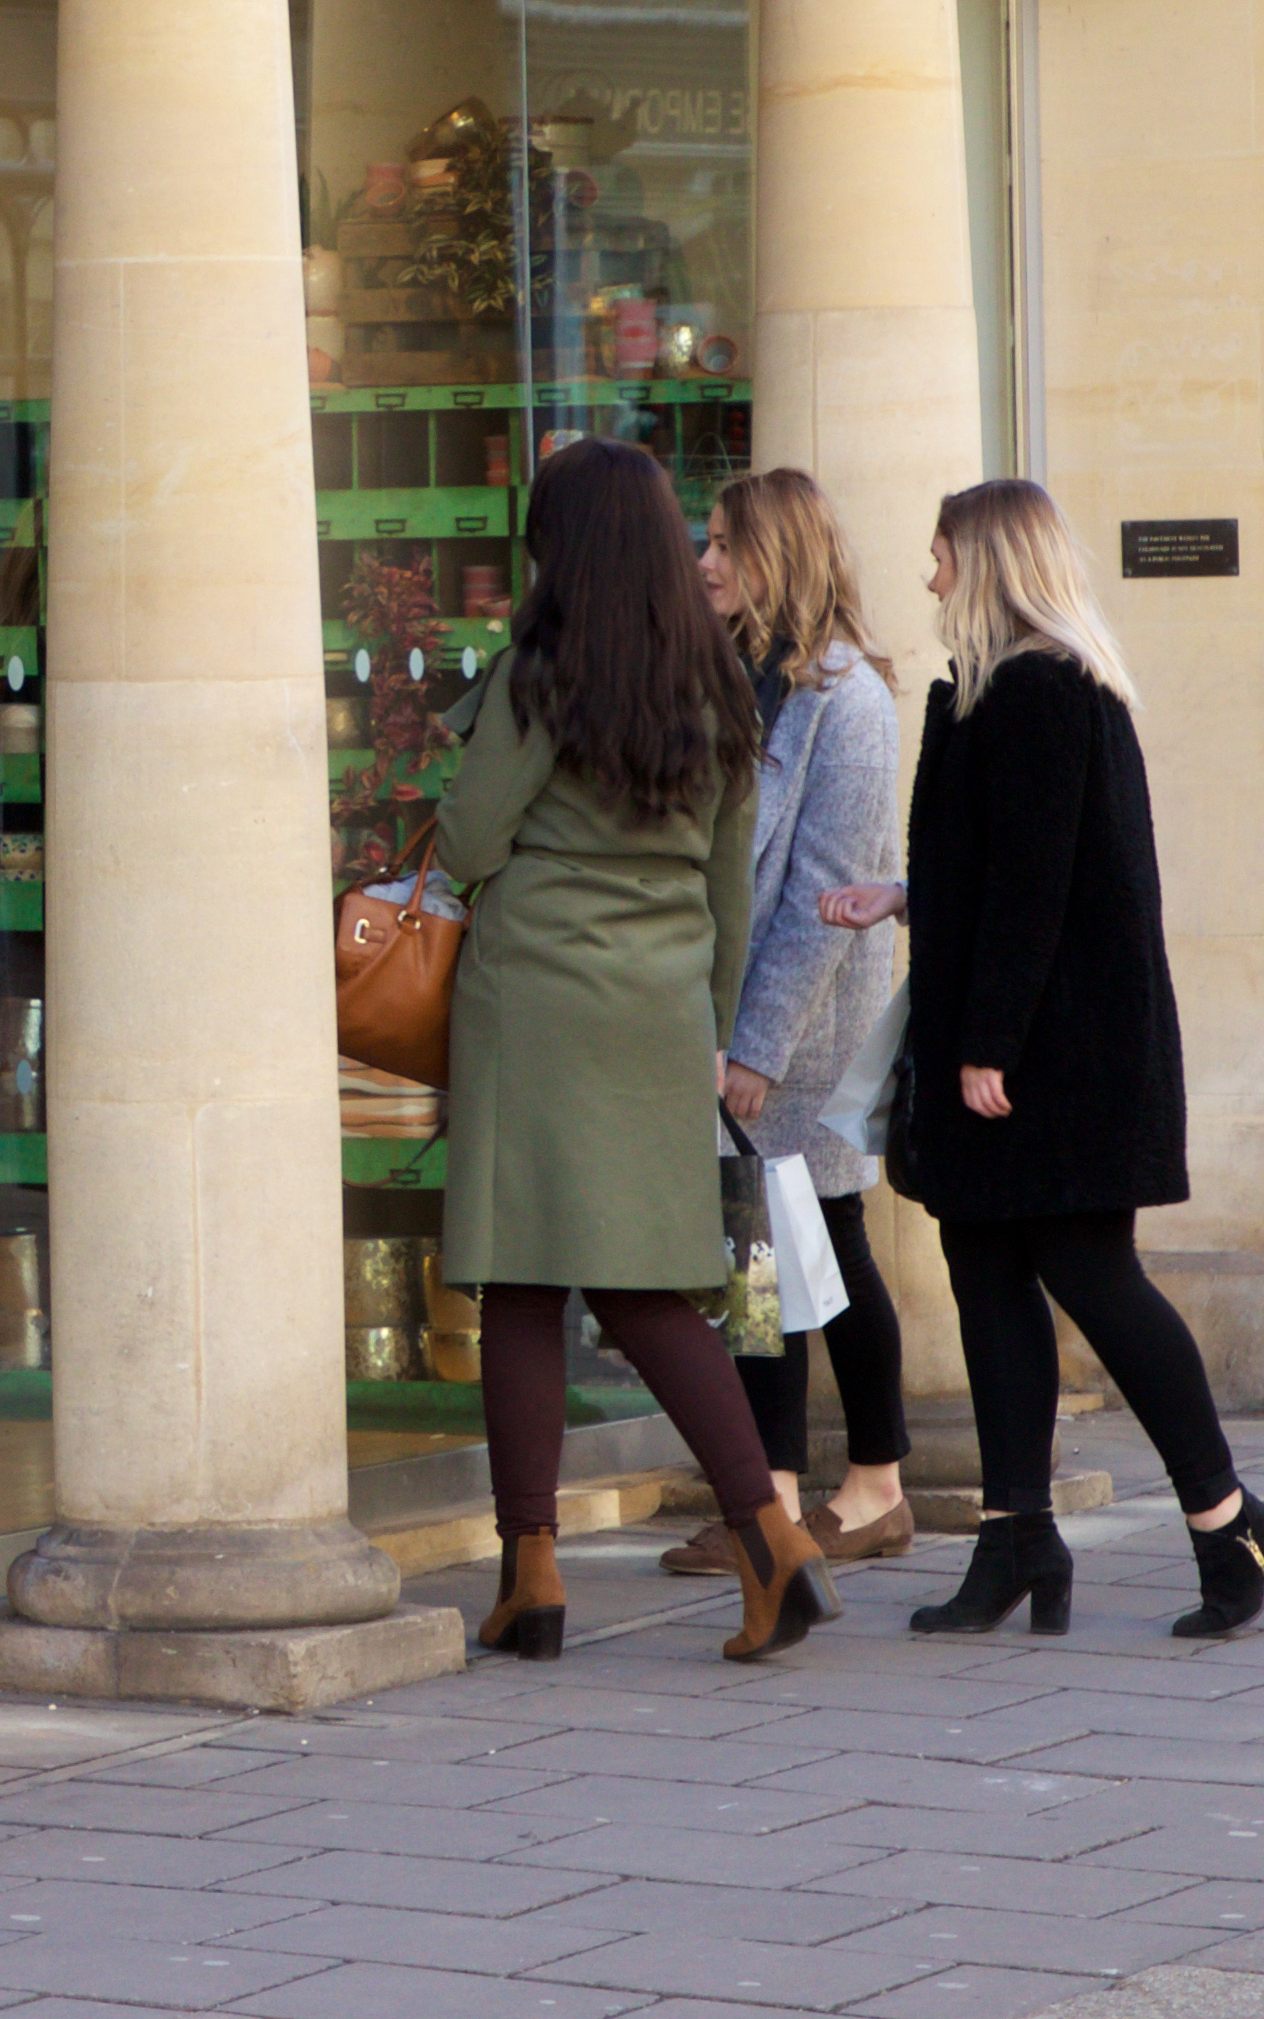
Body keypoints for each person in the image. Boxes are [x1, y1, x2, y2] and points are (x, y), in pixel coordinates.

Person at [821, 481, 1264, 1640]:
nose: (928, 573)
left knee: (1094, 1281)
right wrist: (905, 895)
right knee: (986, 1278)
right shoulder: (1005, 693)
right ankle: (1015, 1539)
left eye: (939, 554)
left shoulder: (1038, 692)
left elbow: (1037, 892)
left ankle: (1228, 1520)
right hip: (1023, 1048)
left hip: (1049, 1059)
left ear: (983, 562)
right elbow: (1006, 869)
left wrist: (986, 1045)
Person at [435, 435, 833, 1665]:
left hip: (535, 1006)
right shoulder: (717, 687)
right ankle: (769, 1526)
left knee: (518, 1278)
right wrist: (703, 1036)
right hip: (661, 1011)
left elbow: (467, 840)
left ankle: (533, 1575)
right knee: (653, 1286)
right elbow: (726, 894)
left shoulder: (537, 675)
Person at [659, 470, 914, 1581]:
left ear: (780, 559)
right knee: (762, 1259)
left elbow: (828, 890)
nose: (705, 562)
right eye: (704, 543)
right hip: (742, 1014)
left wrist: (757, 1046)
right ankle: (773, 1499)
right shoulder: (734, 678)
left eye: (725, 545)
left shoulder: (847, 697)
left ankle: (866, 1489)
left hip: (802, 1025)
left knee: (814, 1250)